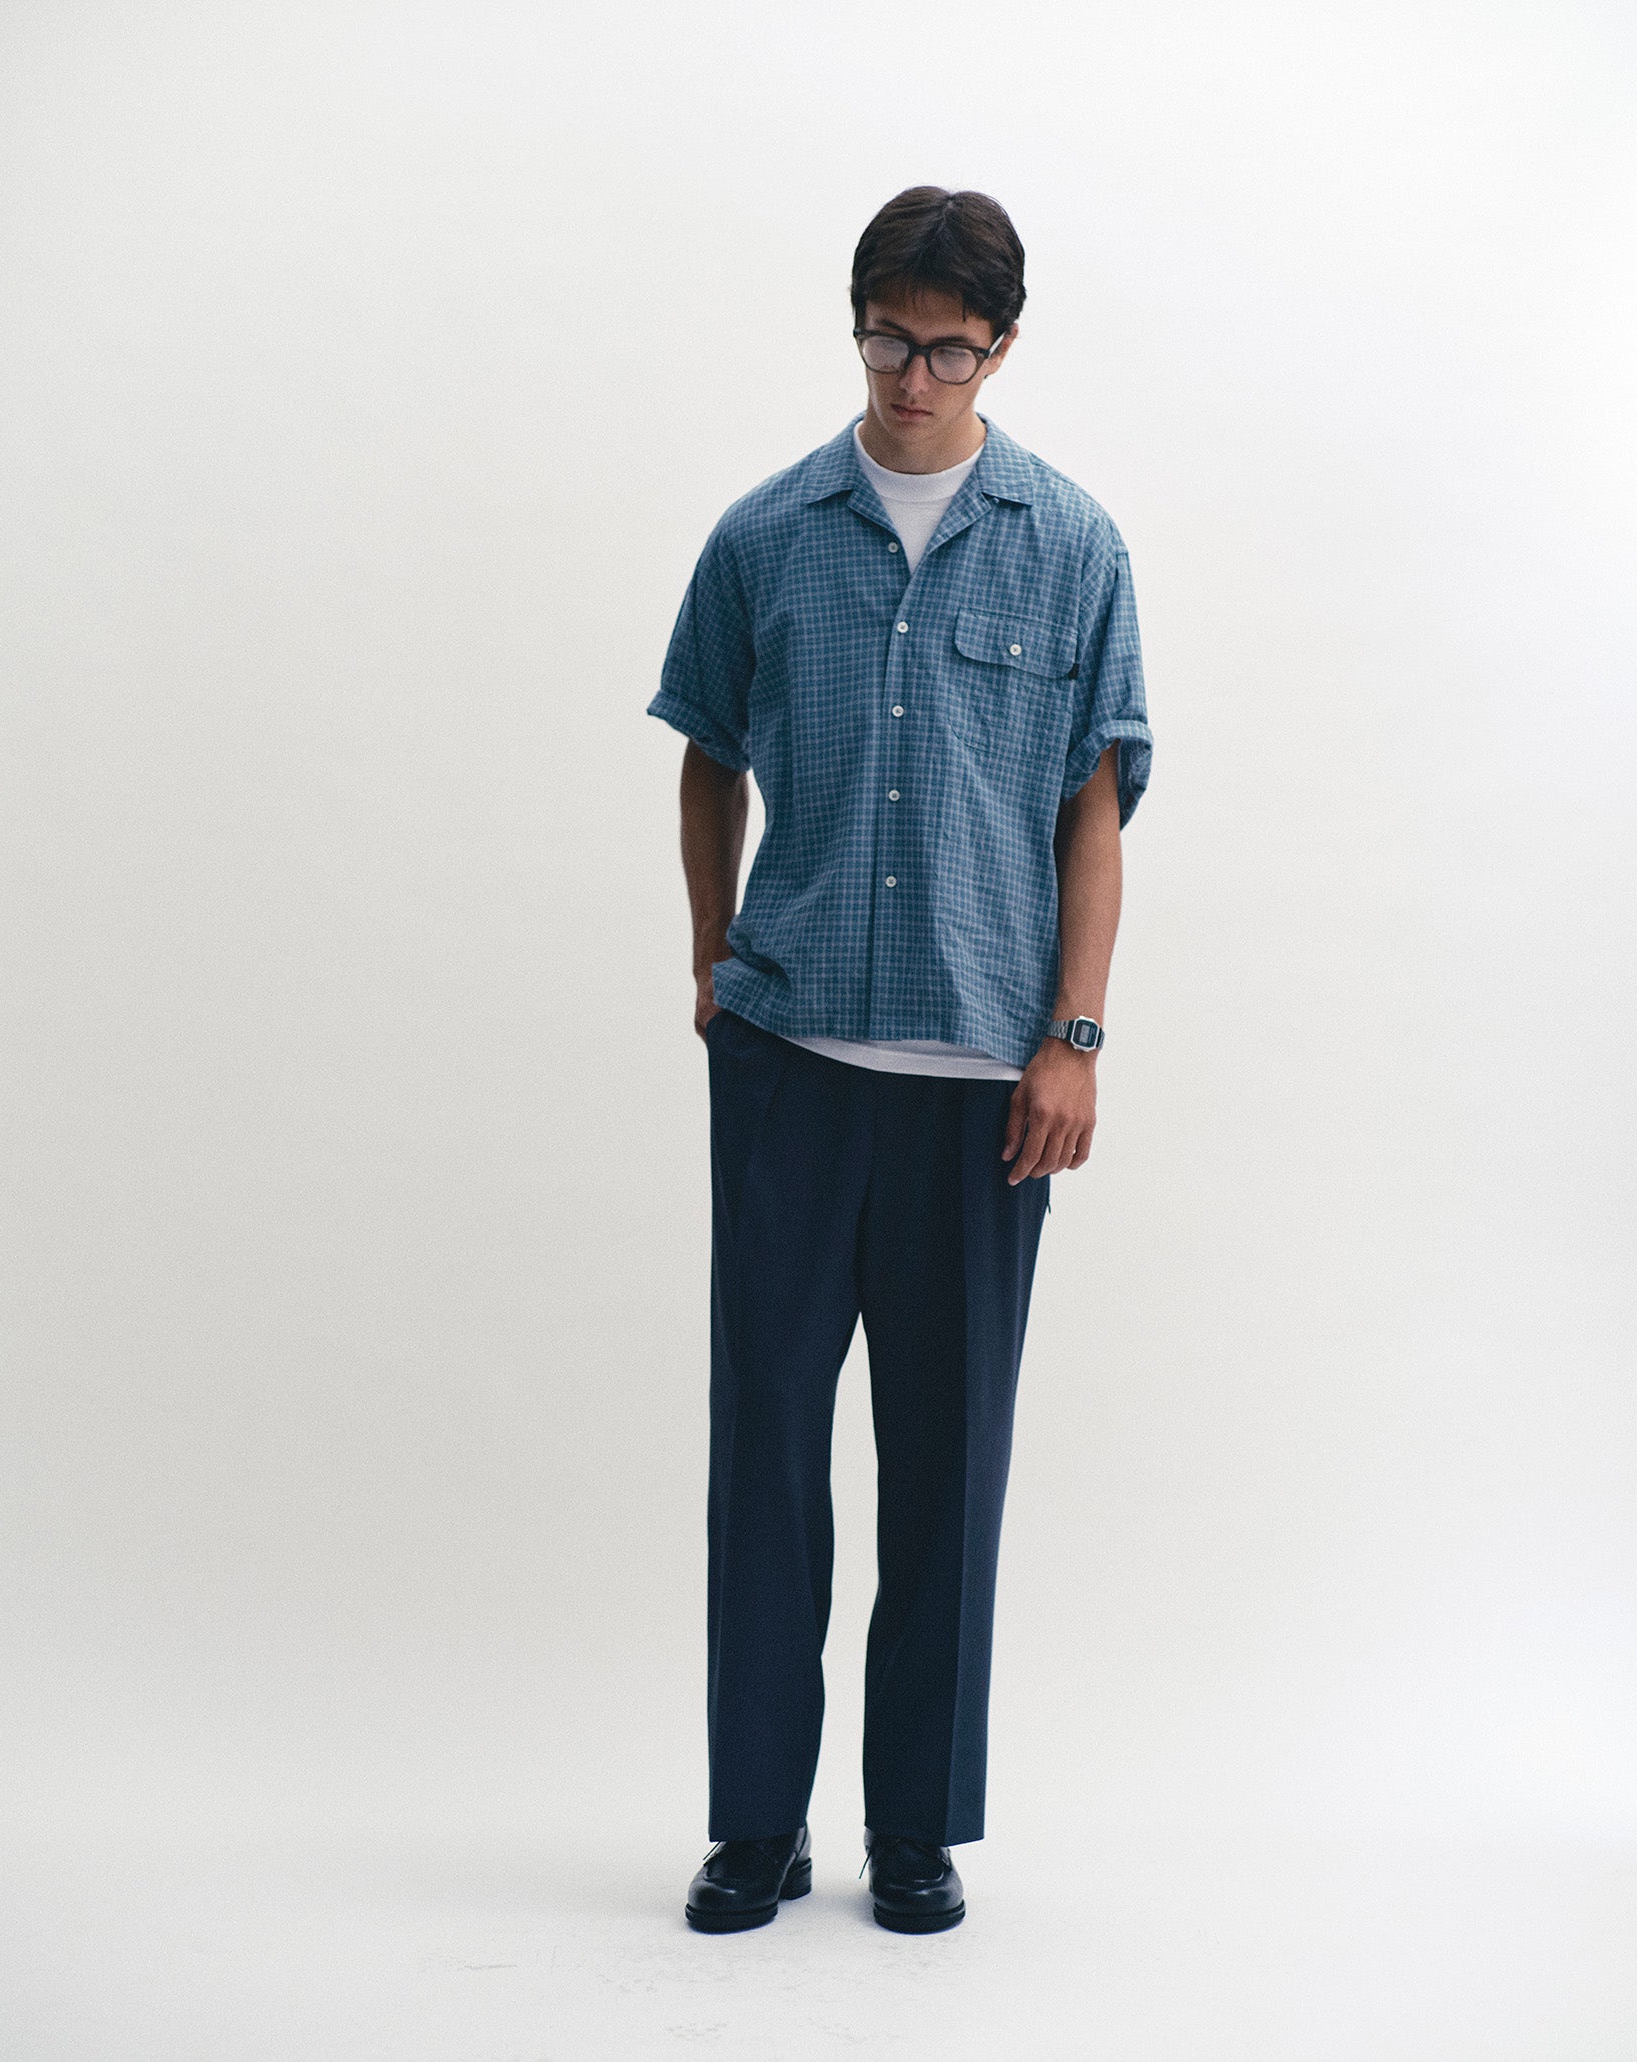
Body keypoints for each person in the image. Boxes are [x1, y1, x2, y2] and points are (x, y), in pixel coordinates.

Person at [646, 186, 1152, 1935]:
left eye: (946, 347)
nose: (911, 374)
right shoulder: (763, 533)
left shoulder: (1071, 546)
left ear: (999, 347)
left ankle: (915, 1826)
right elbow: (703, 749)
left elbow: (1092, 812)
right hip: (788, 1058)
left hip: (979, 1090)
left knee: (947, 1466)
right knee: (764, 1455)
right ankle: (753, 1824)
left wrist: (1073, 1035)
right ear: (854, 321)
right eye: (886, 336)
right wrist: (709, 952)